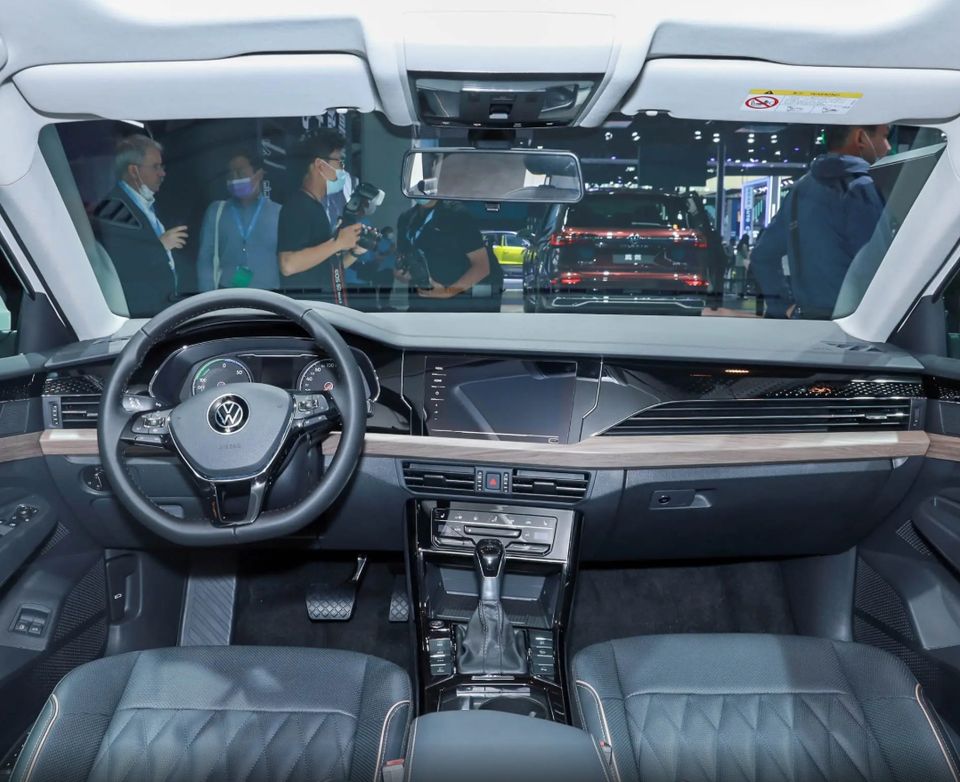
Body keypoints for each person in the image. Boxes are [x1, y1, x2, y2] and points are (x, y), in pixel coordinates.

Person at [751, 124, 891, 319]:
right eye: (884, 136)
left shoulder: (800, 190)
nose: (888, 147)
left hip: (806, 321)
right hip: (853, 322)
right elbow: (878, 266)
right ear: (860, 137)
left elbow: (762, 255)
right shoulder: (861, 188)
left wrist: (783, 306)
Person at [90, 134, 186, 316]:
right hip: (141, 313)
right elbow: (120, 263)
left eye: (162, 166)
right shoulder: (112, 208)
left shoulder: (151, 203)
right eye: (155, 167)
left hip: (162, 308)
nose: (162, 173)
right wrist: (160, 246)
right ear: (134, 171)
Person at [277, 130, 363, 304]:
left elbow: (325, 268)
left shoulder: (316, 207)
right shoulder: (297, 207)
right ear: (320, 165)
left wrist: (355, 252)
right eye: (339, 161)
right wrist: (338, 243)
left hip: (323, 310)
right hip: (306, 312)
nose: (342, 169)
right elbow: (288, 264)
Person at [196, 151, 281, 292]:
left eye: (241, 174)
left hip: (269, 296)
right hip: (226, 294)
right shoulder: (216, 211)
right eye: (231, 175)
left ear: (259, 174)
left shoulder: (278, 213)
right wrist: (208, 297)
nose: (235, 179)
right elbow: (205, 259)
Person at [396, 199, 502, 313]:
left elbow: (481, 267)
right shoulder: (406, 218)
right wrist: (400, 273)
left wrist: (447, 292)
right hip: (421, 302)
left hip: (458, 305)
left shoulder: (456, 214)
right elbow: (401, 256)